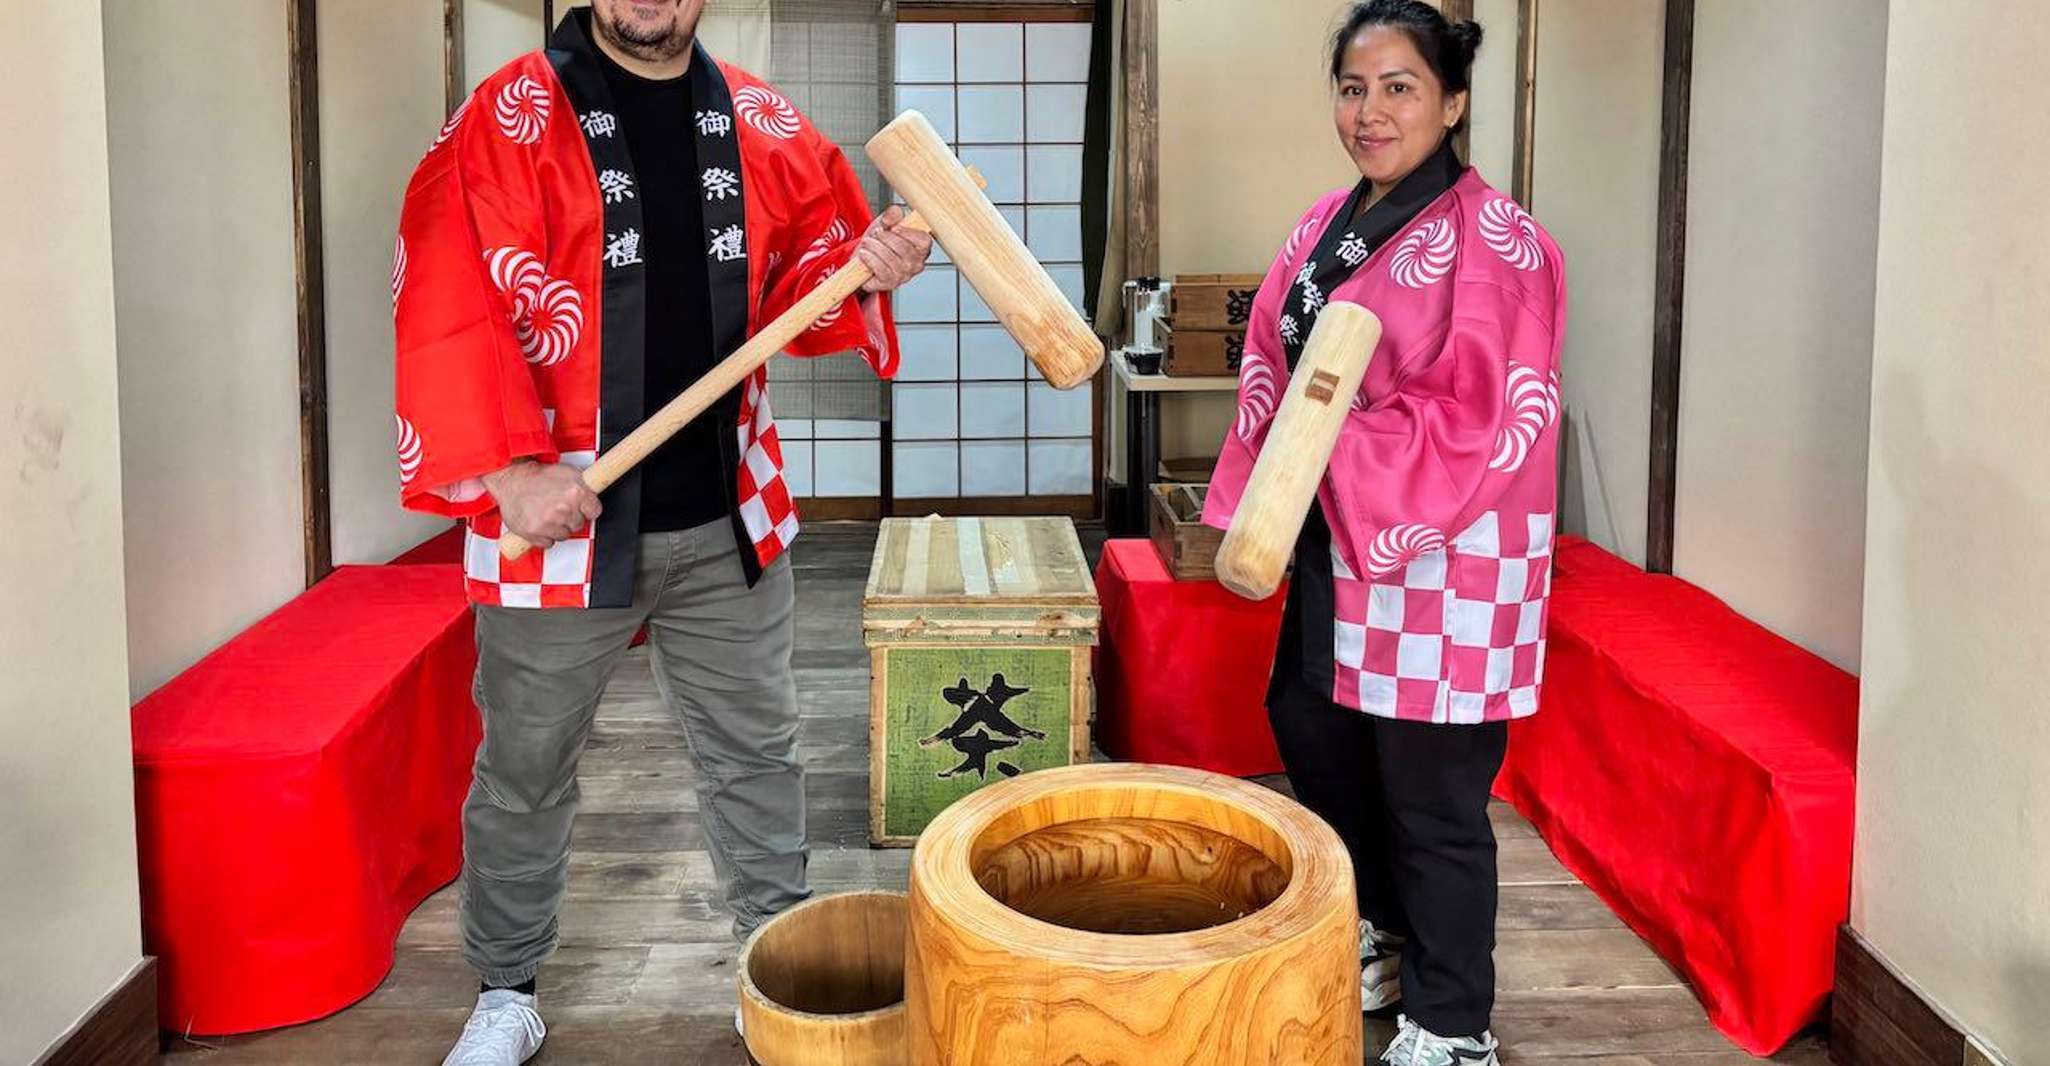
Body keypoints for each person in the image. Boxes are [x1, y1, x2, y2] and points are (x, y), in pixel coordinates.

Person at [390, 2, 933, 1062]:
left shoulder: (764, 123)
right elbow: (447, 297)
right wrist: (507, 471)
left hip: (725, 505)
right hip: (555, 514)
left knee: (756, 756)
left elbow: (810, 282)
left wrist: (869, 263)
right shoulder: (506, 118)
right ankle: (507, 986)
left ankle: (769, 964)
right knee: (525, 763)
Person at [1202, 3, 1566, 1064]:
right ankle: (1394, 935)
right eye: (1353, 88)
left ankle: (1453, 1020)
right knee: (1313, 730)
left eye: (1399, 87)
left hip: (1442, 559)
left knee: (1432, 790)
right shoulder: (1325, 221)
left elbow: (1482, 417)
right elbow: (1276, 363)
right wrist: (1271, 492)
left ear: (1452, 102)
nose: (1370, 112)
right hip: (1333, 541)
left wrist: (1324, 451)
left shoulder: (1501, 243)